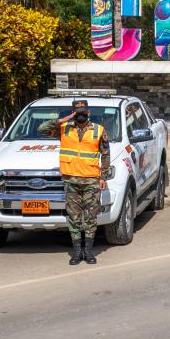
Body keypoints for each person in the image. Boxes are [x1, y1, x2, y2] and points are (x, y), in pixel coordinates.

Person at [38, 100, 110, 265]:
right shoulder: (64, 129)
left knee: (91, 217)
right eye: (77, 112)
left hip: (91, 180)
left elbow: (105, 154)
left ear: (89, 112)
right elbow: (42, 129)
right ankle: (77, 252)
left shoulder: (98, 130)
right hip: (71, 180)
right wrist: (64, 119)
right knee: (74, 218)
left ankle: (89, 252)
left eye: (83, 112)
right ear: (73, 112)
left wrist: (103, 177)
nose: (81, 115)